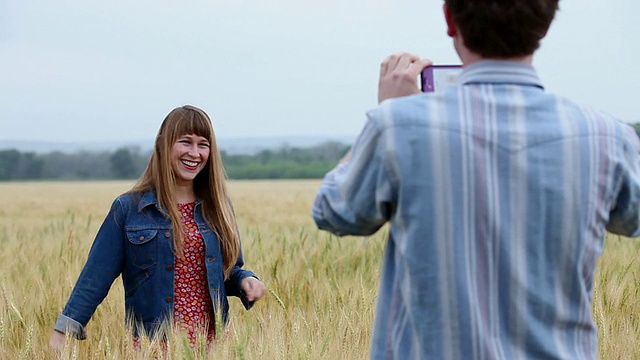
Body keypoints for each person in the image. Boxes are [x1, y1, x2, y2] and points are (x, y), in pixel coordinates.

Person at [312, 1, 640, 359]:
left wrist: (384, 114)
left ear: (450, 19)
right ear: (545, 27)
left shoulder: (397, 127)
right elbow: (631, 220)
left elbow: (333, 211)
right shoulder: (608, 138)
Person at [50, 105, 266, 349]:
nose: (194, 153)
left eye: (203, 144)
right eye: (185, 142)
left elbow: (226, 271)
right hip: (152, 347)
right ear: (163, 145)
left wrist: (246, 280)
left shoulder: (218, 207)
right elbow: (95, 276)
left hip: (213, 346)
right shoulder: (129, 208)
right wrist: (64, 329)